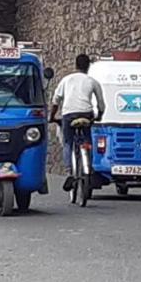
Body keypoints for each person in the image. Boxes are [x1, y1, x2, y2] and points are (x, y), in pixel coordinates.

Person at [49, 54, 105, 191]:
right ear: (88, 66)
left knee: (68, 142)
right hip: (87, 114)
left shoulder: (66, 80)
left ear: (75, 65)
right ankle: (89, 168)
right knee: (87, 141)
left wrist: (52, 116)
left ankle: (69, 172)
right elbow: (101, 104)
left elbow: (56, 101)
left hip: (68, 115)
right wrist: (99, 116)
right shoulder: (92, 81)